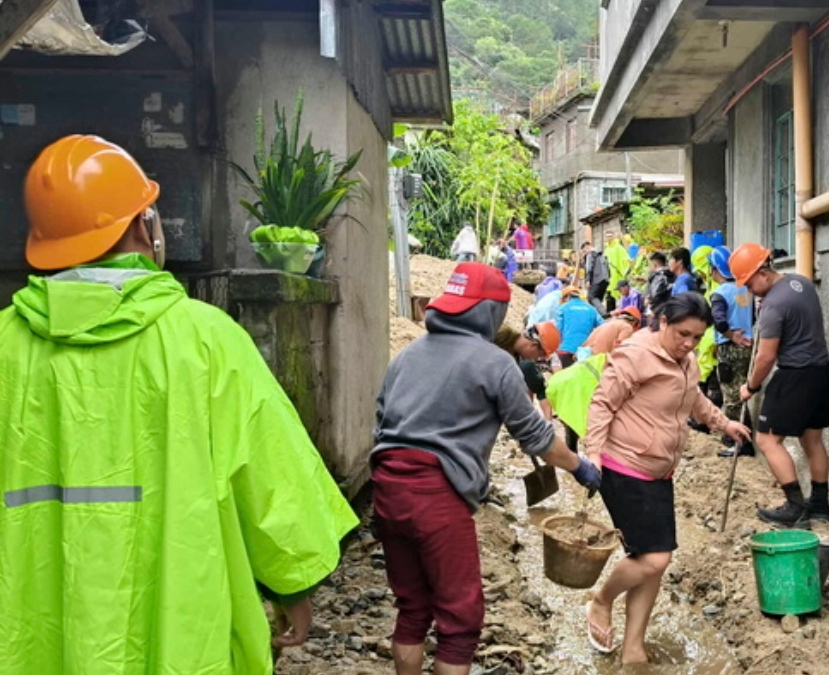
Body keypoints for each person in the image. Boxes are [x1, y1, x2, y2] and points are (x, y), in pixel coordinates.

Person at [0, 135, 359, 675]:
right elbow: (270, 481)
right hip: (183, 631)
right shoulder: (205, 339)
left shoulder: (7, 347)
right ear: (145, 224)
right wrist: (292, 586)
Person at [373, 262, 601, 675]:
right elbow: (536, 436)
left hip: (386, 486)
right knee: (460, 622)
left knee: (412, 607)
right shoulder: (494, 363)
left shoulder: (405, 358)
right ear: (490, 314)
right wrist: (579, 467)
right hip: (438, 495)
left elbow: (380, 422)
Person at [584, 293, 751, 664]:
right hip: (624, 466)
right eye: (682, 334)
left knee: (652, 558)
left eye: (697, 337)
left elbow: (693, 399)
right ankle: (601, 601)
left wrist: (724, 423)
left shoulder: (686, 360)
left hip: (660, 470)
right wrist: (593, 454)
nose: (689, 344)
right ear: (662, 322)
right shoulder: (635, 354)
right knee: (655, 559)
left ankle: (633, 646)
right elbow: (602, 403)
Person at [732, 243, 829, 528]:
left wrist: (751, 386)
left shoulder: (773, 306)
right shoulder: (801, 283)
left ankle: (795, 506)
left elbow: (766, 356)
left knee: (766, 439)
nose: (749, 289)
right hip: (821, 372)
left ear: (762, 272)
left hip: (794, 376)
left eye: (749, 282)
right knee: (812, 440)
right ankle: (820, 505)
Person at [708, 246, 755, 457]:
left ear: (715, 269)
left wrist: (731, 334)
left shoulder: (719, 293)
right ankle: (746, 438)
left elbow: (719, 321)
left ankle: (739, 443)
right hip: (748, 347)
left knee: (732, 397)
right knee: (742, 392)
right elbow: (751, 317)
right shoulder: (744, 288)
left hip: (730, 349)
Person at [495, 321, 562, 420]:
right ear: (534, 345)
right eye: (540, 355)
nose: (535, 359)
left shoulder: (515, 356)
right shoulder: (498, 336)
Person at [555, 285, 603, 368]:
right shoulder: (591, 309)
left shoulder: (562, 308)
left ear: (567, 297)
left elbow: (557, 329)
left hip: (566, 349)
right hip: (584, 351)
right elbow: (603, 326)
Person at [645, 251, 673, 321]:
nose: (650, 267)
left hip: (658, 312)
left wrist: (652, 308)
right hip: (669, 311)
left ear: (655, 265)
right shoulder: (671, 274)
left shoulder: (659, 277)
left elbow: (656, 294)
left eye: (650, 264)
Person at [583, 241, 610, 315]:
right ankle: (599, 316)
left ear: (587, 247)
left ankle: (603, 313)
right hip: (605, 280)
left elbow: (589, 267)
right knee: (598, 299)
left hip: (597, 279)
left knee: (591, 296)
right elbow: (608, 268)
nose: (584, 253)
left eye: (584, 251)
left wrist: (587, 280)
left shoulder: (590, 254)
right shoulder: (602, 255)